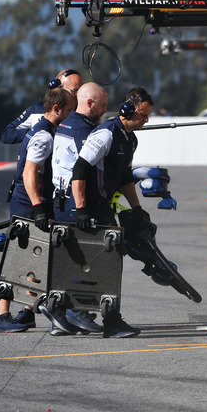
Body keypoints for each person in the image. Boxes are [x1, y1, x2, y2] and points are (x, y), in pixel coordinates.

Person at [67, 87, 156, 338]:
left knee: (108, 261)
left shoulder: (131, 139)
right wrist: (82, 208)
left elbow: (126, 177)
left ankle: (85, 313)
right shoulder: (105, 134)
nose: (146, 120)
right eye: (143, 115)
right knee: (106, 261)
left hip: (104, 204)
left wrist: (136, 208)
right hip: (91, 206)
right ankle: (101, 318)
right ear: (128, 110)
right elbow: (80, 169)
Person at [0, 88, 76, 333]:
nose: (71, 114)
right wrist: (39, 207)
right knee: (17, 261)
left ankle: (27, 312)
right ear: (57, 109)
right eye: (69, 110)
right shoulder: (44, 136)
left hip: (30, 201)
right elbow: (29, 173)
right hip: (28, 204)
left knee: (34, 259)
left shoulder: (45, 130)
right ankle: (1, 317)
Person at [46, 83, 110, 336]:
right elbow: (82, 170)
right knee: (85, 258)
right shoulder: (83, 129)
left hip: (61, 199)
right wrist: (83, 207)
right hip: (75, 201)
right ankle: (75, 310)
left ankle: (61, 319)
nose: (106, 110)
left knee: (69, 257)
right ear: (90, 103)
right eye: (103, 105)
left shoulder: (65, 123)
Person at [2, 69, 83, 144]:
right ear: (57, 88)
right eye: (74, 91)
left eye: (81, 91)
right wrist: (35, 133)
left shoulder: (81, 115)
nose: (78, 95)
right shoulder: (36, 110)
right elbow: (8, 134)